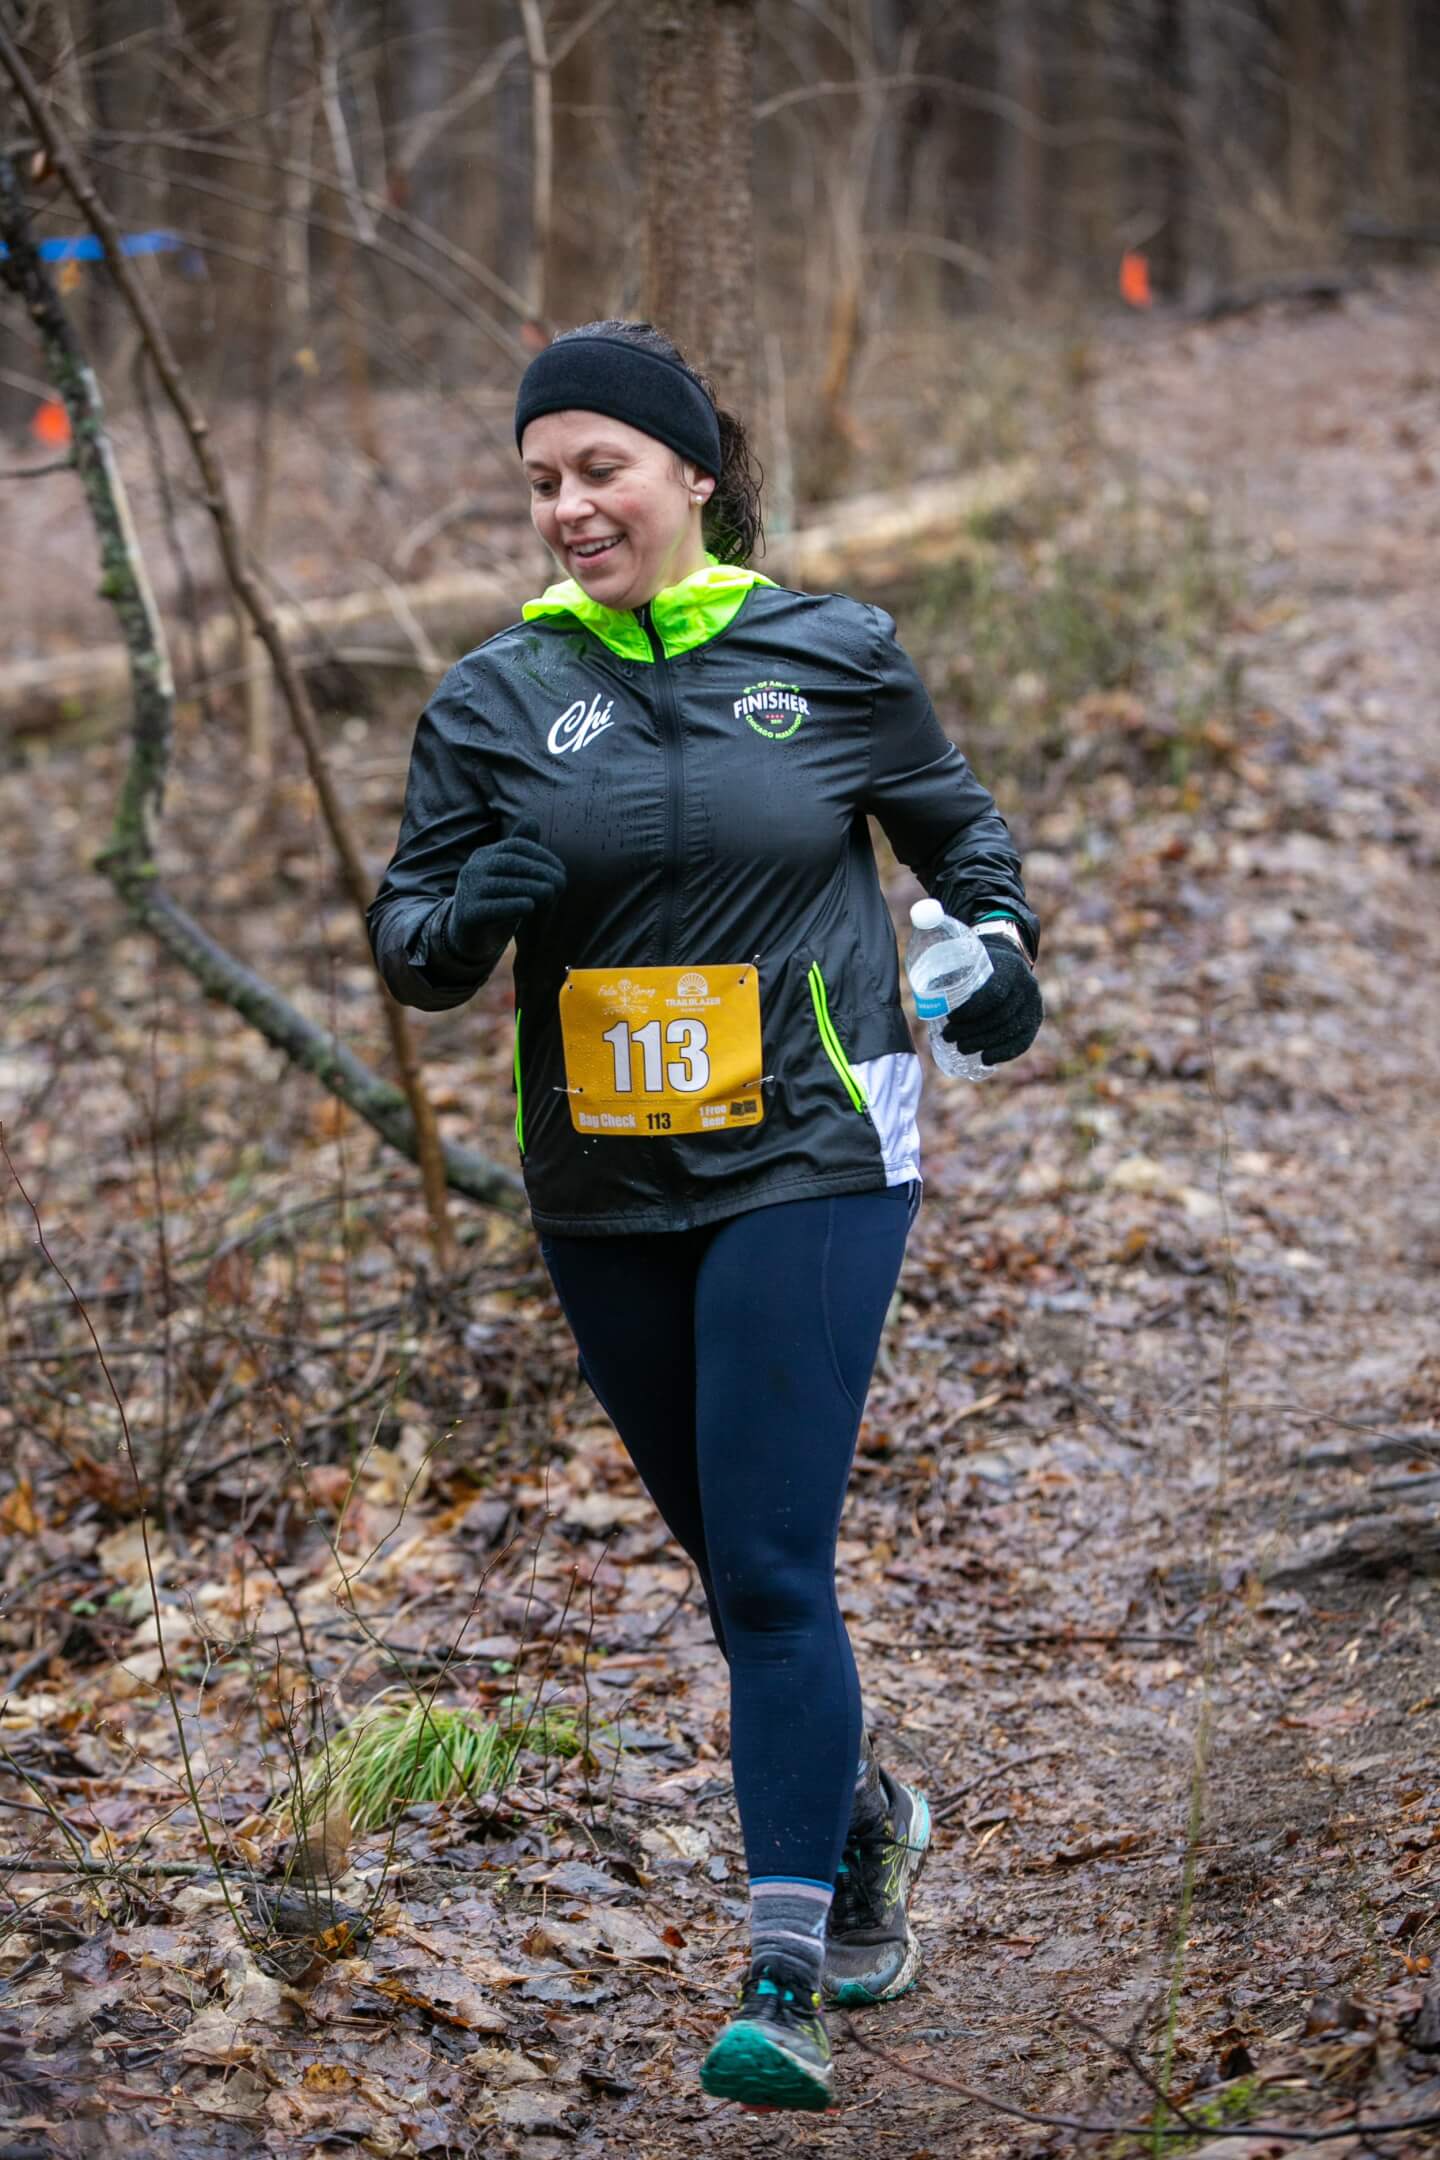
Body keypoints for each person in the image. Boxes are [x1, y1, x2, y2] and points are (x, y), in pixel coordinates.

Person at [367, 321, 1043, 2113]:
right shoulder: (494, 697)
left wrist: (1001, 954)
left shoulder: (832, 654)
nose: (568, 506)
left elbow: (963, 839)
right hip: (603, 1181)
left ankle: (782, 1978)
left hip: (814, 1148)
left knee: (766, 1570)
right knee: (736, 1565)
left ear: (693, 473)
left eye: (599, 468)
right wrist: (470, 914)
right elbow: (410, 942)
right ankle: (866, 1808)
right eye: (540, 481)